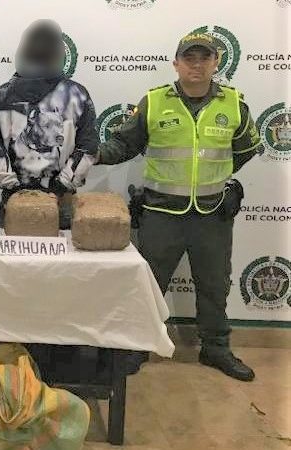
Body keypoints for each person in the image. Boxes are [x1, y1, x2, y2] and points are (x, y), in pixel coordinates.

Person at [98, 32, 262, 381]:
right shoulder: (154, 102)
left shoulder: (234, 104)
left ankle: (215, 349)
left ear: (216, 63)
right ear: (176, 64)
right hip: (161, 213)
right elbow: (124, 145)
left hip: (212, 213)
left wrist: (218, 177)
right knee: (150, 284)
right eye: (189, 58)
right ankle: (138, 346)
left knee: (214, 285)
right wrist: (92, 155)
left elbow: (247, 148)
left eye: (205, 58)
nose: (197, 65)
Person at [0, 19, 99, 228]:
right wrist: (60, 187)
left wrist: (13, 187)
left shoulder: (2, 94)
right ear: (58, 54)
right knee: (61, 250)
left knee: (14, 249)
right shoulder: (77, 94)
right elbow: (88, 147)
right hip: (60, 200)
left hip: (16, 199)